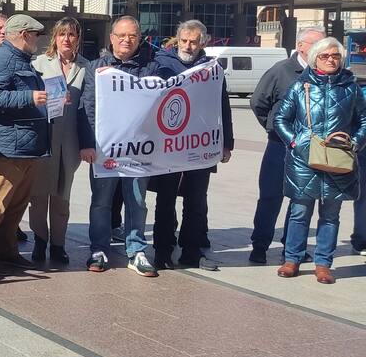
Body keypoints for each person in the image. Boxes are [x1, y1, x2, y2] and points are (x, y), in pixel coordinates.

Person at [274, 36, 366, 284]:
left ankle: (323, 264)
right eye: (325, 56)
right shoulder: (300, 86)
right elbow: (280, 119)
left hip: (338, 159)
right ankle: (292, 259)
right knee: (299, 211)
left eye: (335, 56)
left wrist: (355, 143)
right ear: (315, 59)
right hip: (304, 160)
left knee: (331, 215)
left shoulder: (351, 87)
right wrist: (295, 143)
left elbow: (363, 120)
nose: (331, 60)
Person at [0, 15, 61, 275]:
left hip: (26, 147)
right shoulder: (1, 59)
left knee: (15, 206)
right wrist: (30, 96)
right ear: (24, 34)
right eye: (35, 35)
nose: (38, 40)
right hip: (7, 147)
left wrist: (53, 99)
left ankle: (7, 250)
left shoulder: (22, 61)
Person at [81, 16, 165, 278]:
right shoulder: (96, 68)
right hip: (104, 150)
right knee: (101, 202)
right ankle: (99, 249)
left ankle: (137, 251)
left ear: (139, 39)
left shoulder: (152, 68)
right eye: (122, 36)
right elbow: (87, 108)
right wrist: (87, 143)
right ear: (112, 38)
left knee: (137, 202)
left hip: (139, 151)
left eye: (132, 36)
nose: (127, 40)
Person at [152, 20, 234, 271]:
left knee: (196, 200)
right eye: (184, 40)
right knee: (166, 200)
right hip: (169, 145)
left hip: (199, 145)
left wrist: (226, 143)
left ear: (204, 42)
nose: (188, 45)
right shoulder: (160, 64)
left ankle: (191, 250)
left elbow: (223, 105)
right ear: (177, 40)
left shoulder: (212, 69)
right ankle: (163, 250)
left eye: (194, 41)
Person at [249, 27, 324, 264]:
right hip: (280, 147)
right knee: (270, 198)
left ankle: (292, 248)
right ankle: (260, 245)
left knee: (301, 200)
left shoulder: (324, 73)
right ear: (301, 46)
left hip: (310, 149)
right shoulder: (281, 70)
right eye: (316, 45)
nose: (322, 50)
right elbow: (258, 102)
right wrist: (274, 128)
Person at [29, 17, 90, 266]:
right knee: (39, 195)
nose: (66, 39)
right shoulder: (39, 64)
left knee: (62, 195)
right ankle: (40, 240)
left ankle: (58, 244)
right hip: (45, 139)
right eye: (62, 34)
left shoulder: (86, 67)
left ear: (77, 39)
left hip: (71, 142)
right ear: (54, 37)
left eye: (72, 35)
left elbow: (89, 106)